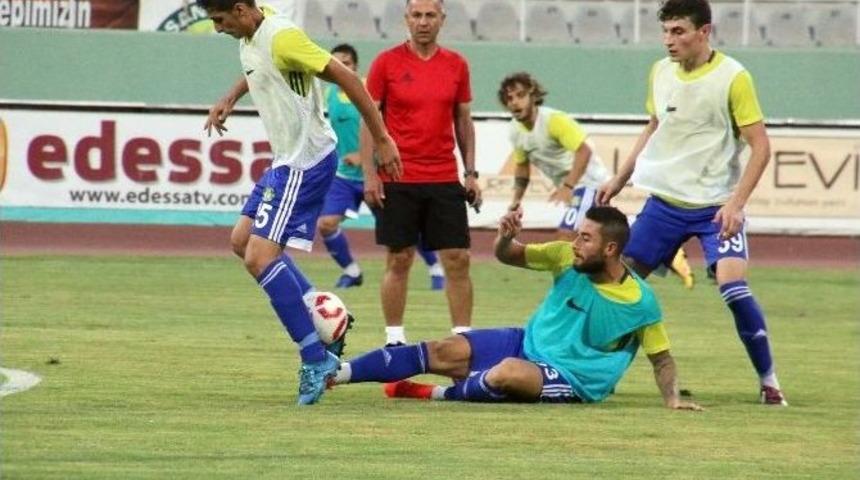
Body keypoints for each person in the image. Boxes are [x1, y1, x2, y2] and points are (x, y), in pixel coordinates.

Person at [199, 0, 399, 405]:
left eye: (220, 20)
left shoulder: (283, 36)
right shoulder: (255, 27)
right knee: (242, 241)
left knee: (259, 258)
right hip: (285, 160)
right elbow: (258, 66)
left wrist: (381, 138)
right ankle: (324, 315)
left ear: (240, 10)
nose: (218, 29)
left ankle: (315, 358)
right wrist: (231, 96)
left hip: (304, 161)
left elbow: (347, 77)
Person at [596, 0, 787, 405]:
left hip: (715, 208)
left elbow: (761, 147)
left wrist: (736, 204)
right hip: (663, 205)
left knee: (733, 287)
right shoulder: (660, 72)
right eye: (666, 31)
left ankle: (769, 381)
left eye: (678, 31)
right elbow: (653, 127)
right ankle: (601, 375)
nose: (669, 40)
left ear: (704, 32)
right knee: (619, 286)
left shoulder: (734, 77)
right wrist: (620, 178)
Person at [329, 206, 702, 411]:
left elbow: (662, 360)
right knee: (443, 349)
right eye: (578, 234)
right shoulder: (563, 255)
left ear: (610, 249)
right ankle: (335, 374)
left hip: (571, 377)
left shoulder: (640, 302)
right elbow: (510, 256)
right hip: (526, 343)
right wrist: (505, 239)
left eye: (585, 239)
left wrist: (672, 399)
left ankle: (435, 394)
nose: (575, 244)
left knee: (506, 373)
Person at [499, 71, 695, 289]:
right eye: (509, 98)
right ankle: (667, 251)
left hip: (589, 183)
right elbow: (522, 167)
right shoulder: (515, 131)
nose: (514, 102)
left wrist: (568, 186)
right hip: (576, 187)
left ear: (533, 95)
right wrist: (516, 200)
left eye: (520, 95)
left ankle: (570, 291)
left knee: (567, 235)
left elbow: (584, 151)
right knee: (606, 236)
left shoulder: (553, 120)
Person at [360, 0, 481, 346]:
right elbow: (369, 120)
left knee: (457, 259)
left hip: (443, 176)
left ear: (442, 20)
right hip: (398, 177)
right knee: (399, 258)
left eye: (430, 15)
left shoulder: (457, 64)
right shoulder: (386, 62)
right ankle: (394, 339)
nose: (423, 22)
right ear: (406, 19)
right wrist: (370, 174)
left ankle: (463, 339)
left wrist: (470, 172)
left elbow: (463, 121)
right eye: (417, 15)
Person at [318, 43, 445, 290]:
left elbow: (389, 129)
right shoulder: (328, 93)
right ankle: (352, 272)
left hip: (378, 174)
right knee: (326, 224)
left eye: (346, 63)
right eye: (335, 63)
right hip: (344, 177)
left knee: (403, 227)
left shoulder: (370, 90)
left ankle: (436, 269)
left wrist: (365, 154)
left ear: (355, 66)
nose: (340, 68)